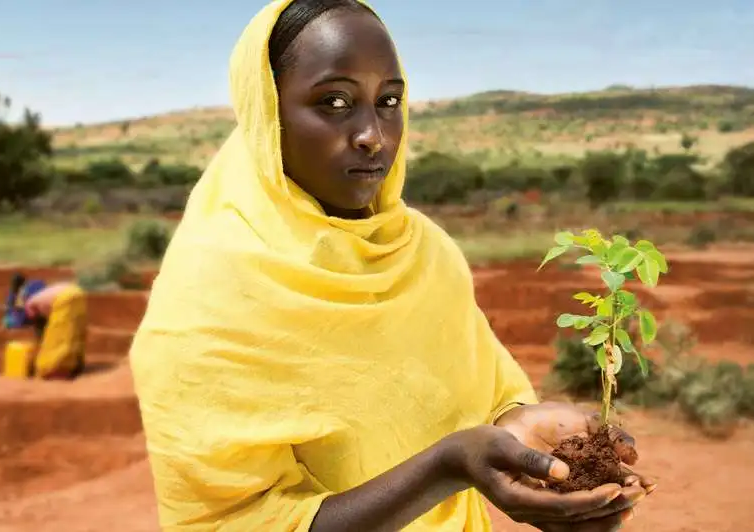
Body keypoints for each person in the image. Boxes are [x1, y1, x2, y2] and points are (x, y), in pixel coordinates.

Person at [129, 1, 656, 531]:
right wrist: (444, 469)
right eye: (334, 102)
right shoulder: (207, 298)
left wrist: (519, 424)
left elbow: (485, 394)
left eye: (389, 101)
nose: (373, 135)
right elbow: (236, 521)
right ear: (266, 112)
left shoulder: (421, 250)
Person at [2, 273, 87, 380]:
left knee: (52, 355)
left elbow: (24, 319)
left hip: (65, 300)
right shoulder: (42, 290)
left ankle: (55, 372)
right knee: (73, 335)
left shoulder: (30, 301)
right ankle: (75, 366)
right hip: (78, 293)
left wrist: (11, 321)